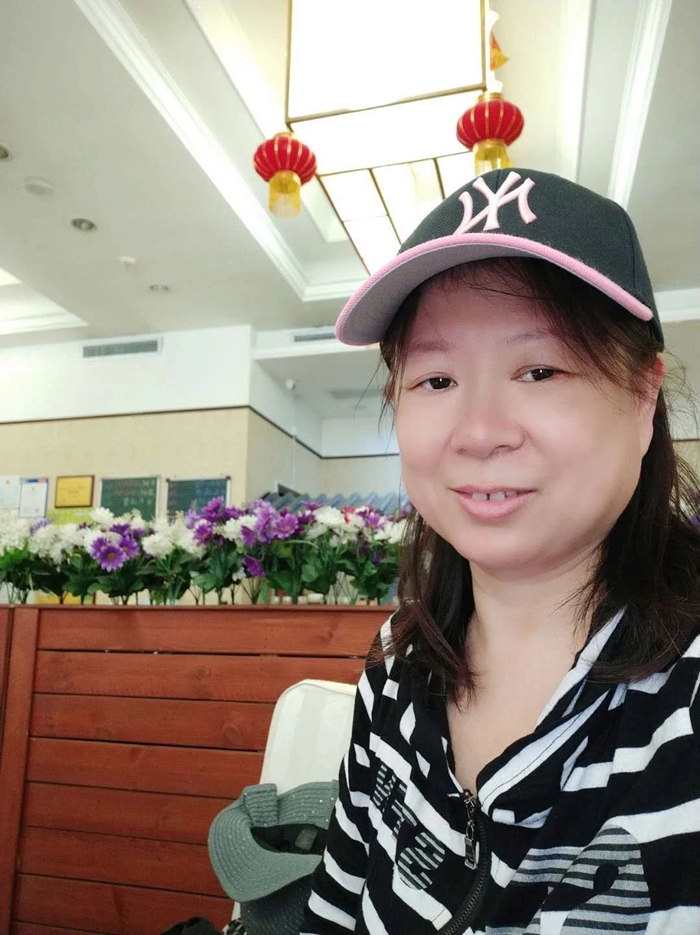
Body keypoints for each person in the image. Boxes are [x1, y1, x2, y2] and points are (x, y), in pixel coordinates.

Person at [299, 169, 700, 934]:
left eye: (539, 370)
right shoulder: (397, 664)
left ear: (644, 394)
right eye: (436, 378)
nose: (479, 432)